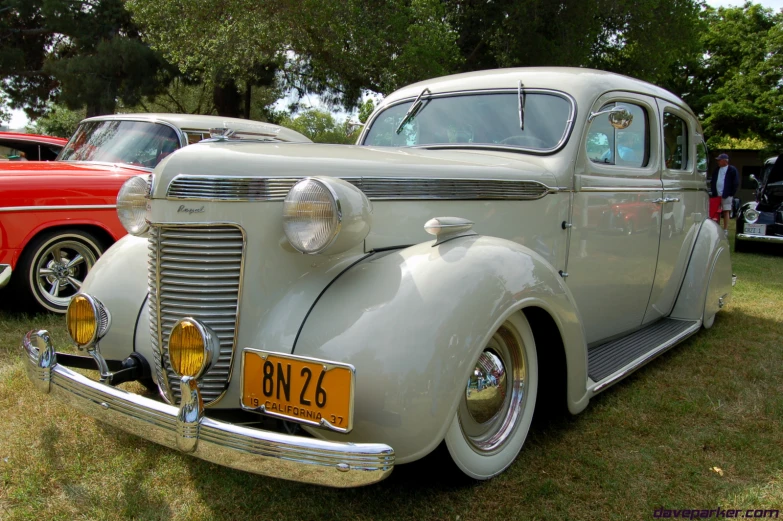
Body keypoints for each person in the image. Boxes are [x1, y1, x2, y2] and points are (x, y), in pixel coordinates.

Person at [709, 153, 739, 238]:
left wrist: (731, 193)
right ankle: (716, 227)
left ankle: (725, 229)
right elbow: (713, 180)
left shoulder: (732, 170)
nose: (718, 162)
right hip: (716, 194)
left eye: (719, 160)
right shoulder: (717, 169)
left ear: (724, 161)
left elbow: (735, 182)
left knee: (726, 211)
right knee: (716, 211)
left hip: (726, 194)